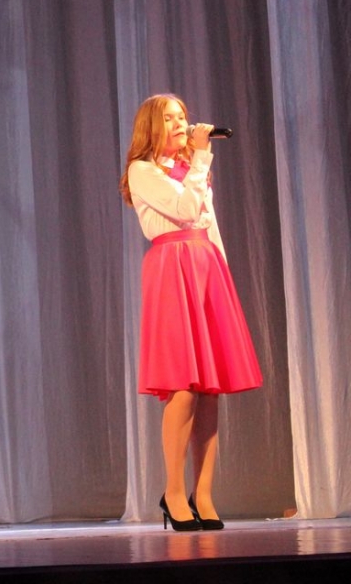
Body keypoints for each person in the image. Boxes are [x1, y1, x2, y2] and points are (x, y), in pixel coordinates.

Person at [120, 94, 262, 532]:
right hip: (171, 267)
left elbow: (207, 223)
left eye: (183, 116)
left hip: (205, 267)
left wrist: (223, 275)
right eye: (170, 118)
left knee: (210, 390)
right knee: (182, 387)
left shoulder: (190, 170)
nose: (181, 123)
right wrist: (201, 158)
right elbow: (183, 210)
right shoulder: (143, 171)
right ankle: (173, 492)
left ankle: (204, 493)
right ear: (151, 127)